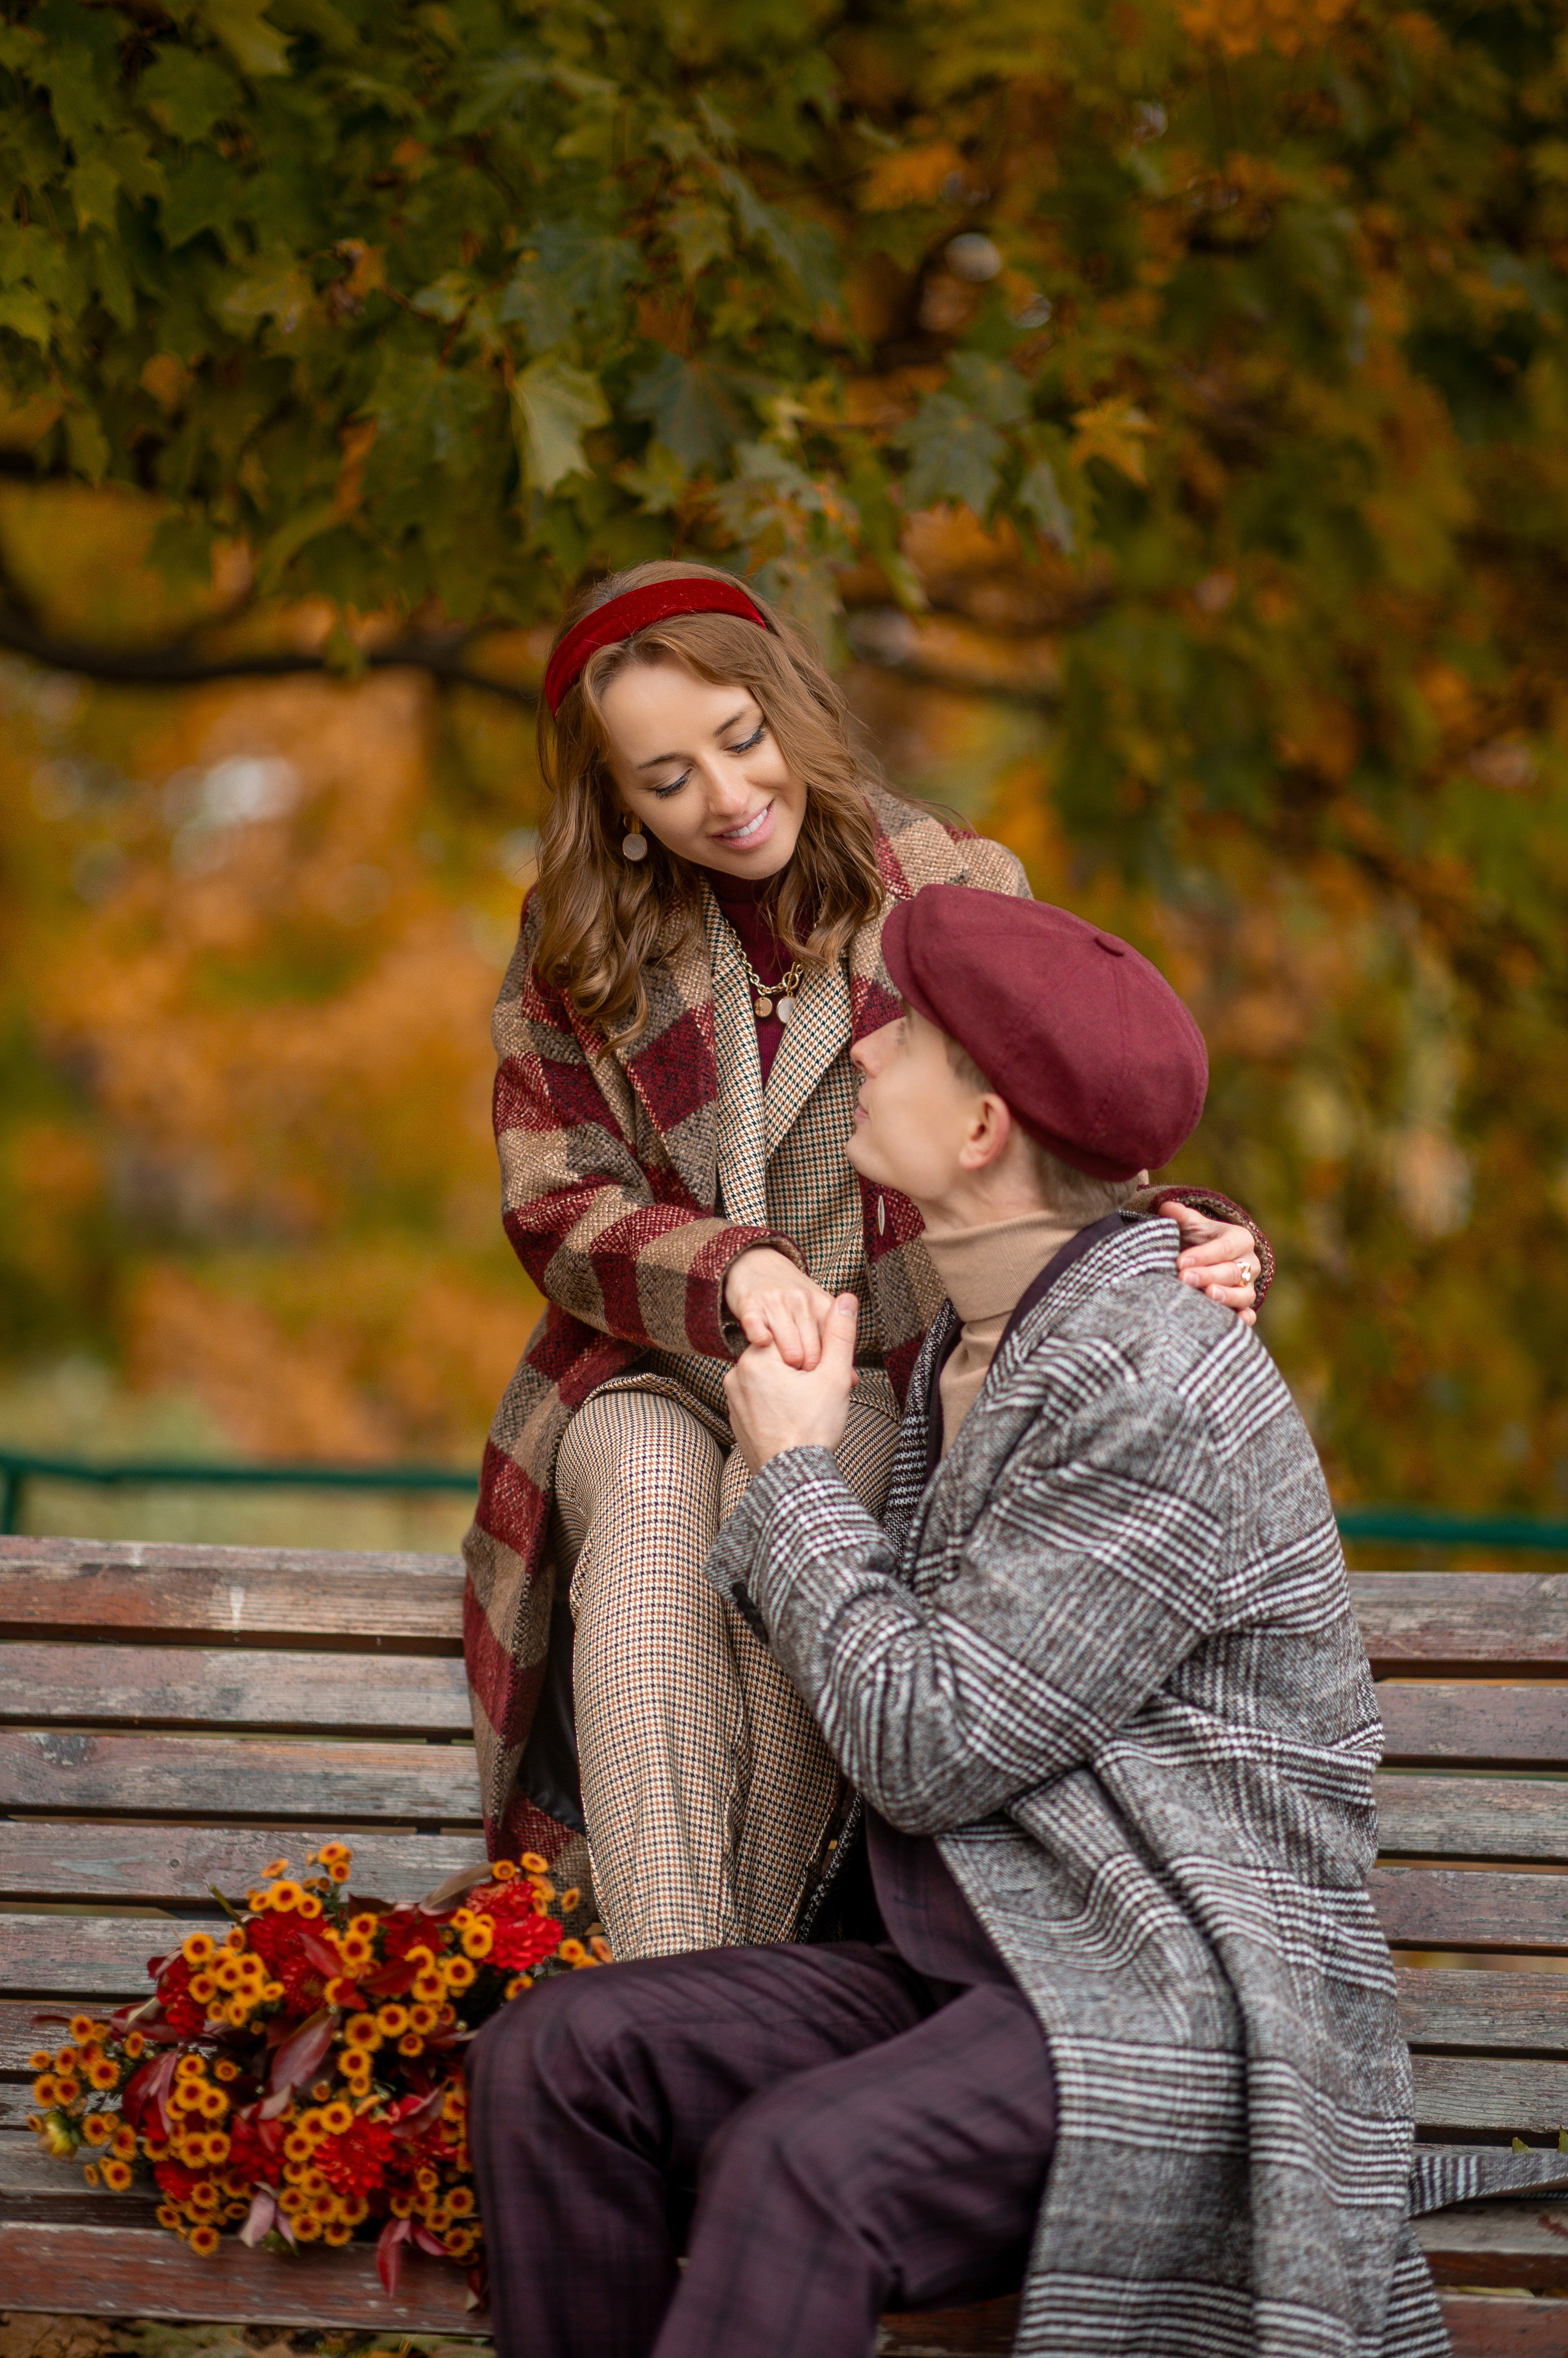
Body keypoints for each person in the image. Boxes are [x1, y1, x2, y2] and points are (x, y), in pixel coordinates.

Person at [468, 888, 1567, 2358]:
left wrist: (792, 1473)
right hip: (975, 1960)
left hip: (1163, 1988)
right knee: (559, 2053)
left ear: (981, 1131)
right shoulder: (978, 1344)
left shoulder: (1151, 1380)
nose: (863, 1052)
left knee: (801, 2167)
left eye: (904, 1033)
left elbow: (927, 1749)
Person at [462, 559, 1271, 1961]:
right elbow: (555, 1204)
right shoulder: (576, 941)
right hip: (650, 1365)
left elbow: (1040, 1114)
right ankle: (678, 2003)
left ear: (789, 705)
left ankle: (693, 2010)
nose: (721, 797)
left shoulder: (952, 886)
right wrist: (729, 1273)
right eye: (664, 779)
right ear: (616, 803)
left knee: (799, 1524)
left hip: (871, 1385)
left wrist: (1187, 1235)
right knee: (651, 1516)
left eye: (737, 738)